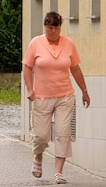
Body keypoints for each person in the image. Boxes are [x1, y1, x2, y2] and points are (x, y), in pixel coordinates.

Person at [22, 11, 90, 185]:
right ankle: (38, 157)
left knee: (62, 134)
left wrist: (84, 90)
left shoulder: (69, 44)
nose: (52, 31)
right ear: (45, 27)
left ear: (60, 27)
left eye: (55, 27)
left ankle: (58, 173)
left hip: (64, 96)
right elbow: (27, 67)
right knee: (42, 136)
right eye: (49, 27)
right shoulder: (36, 43)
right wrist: (30, 89)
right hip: (42, 97)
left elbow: (75, 69)